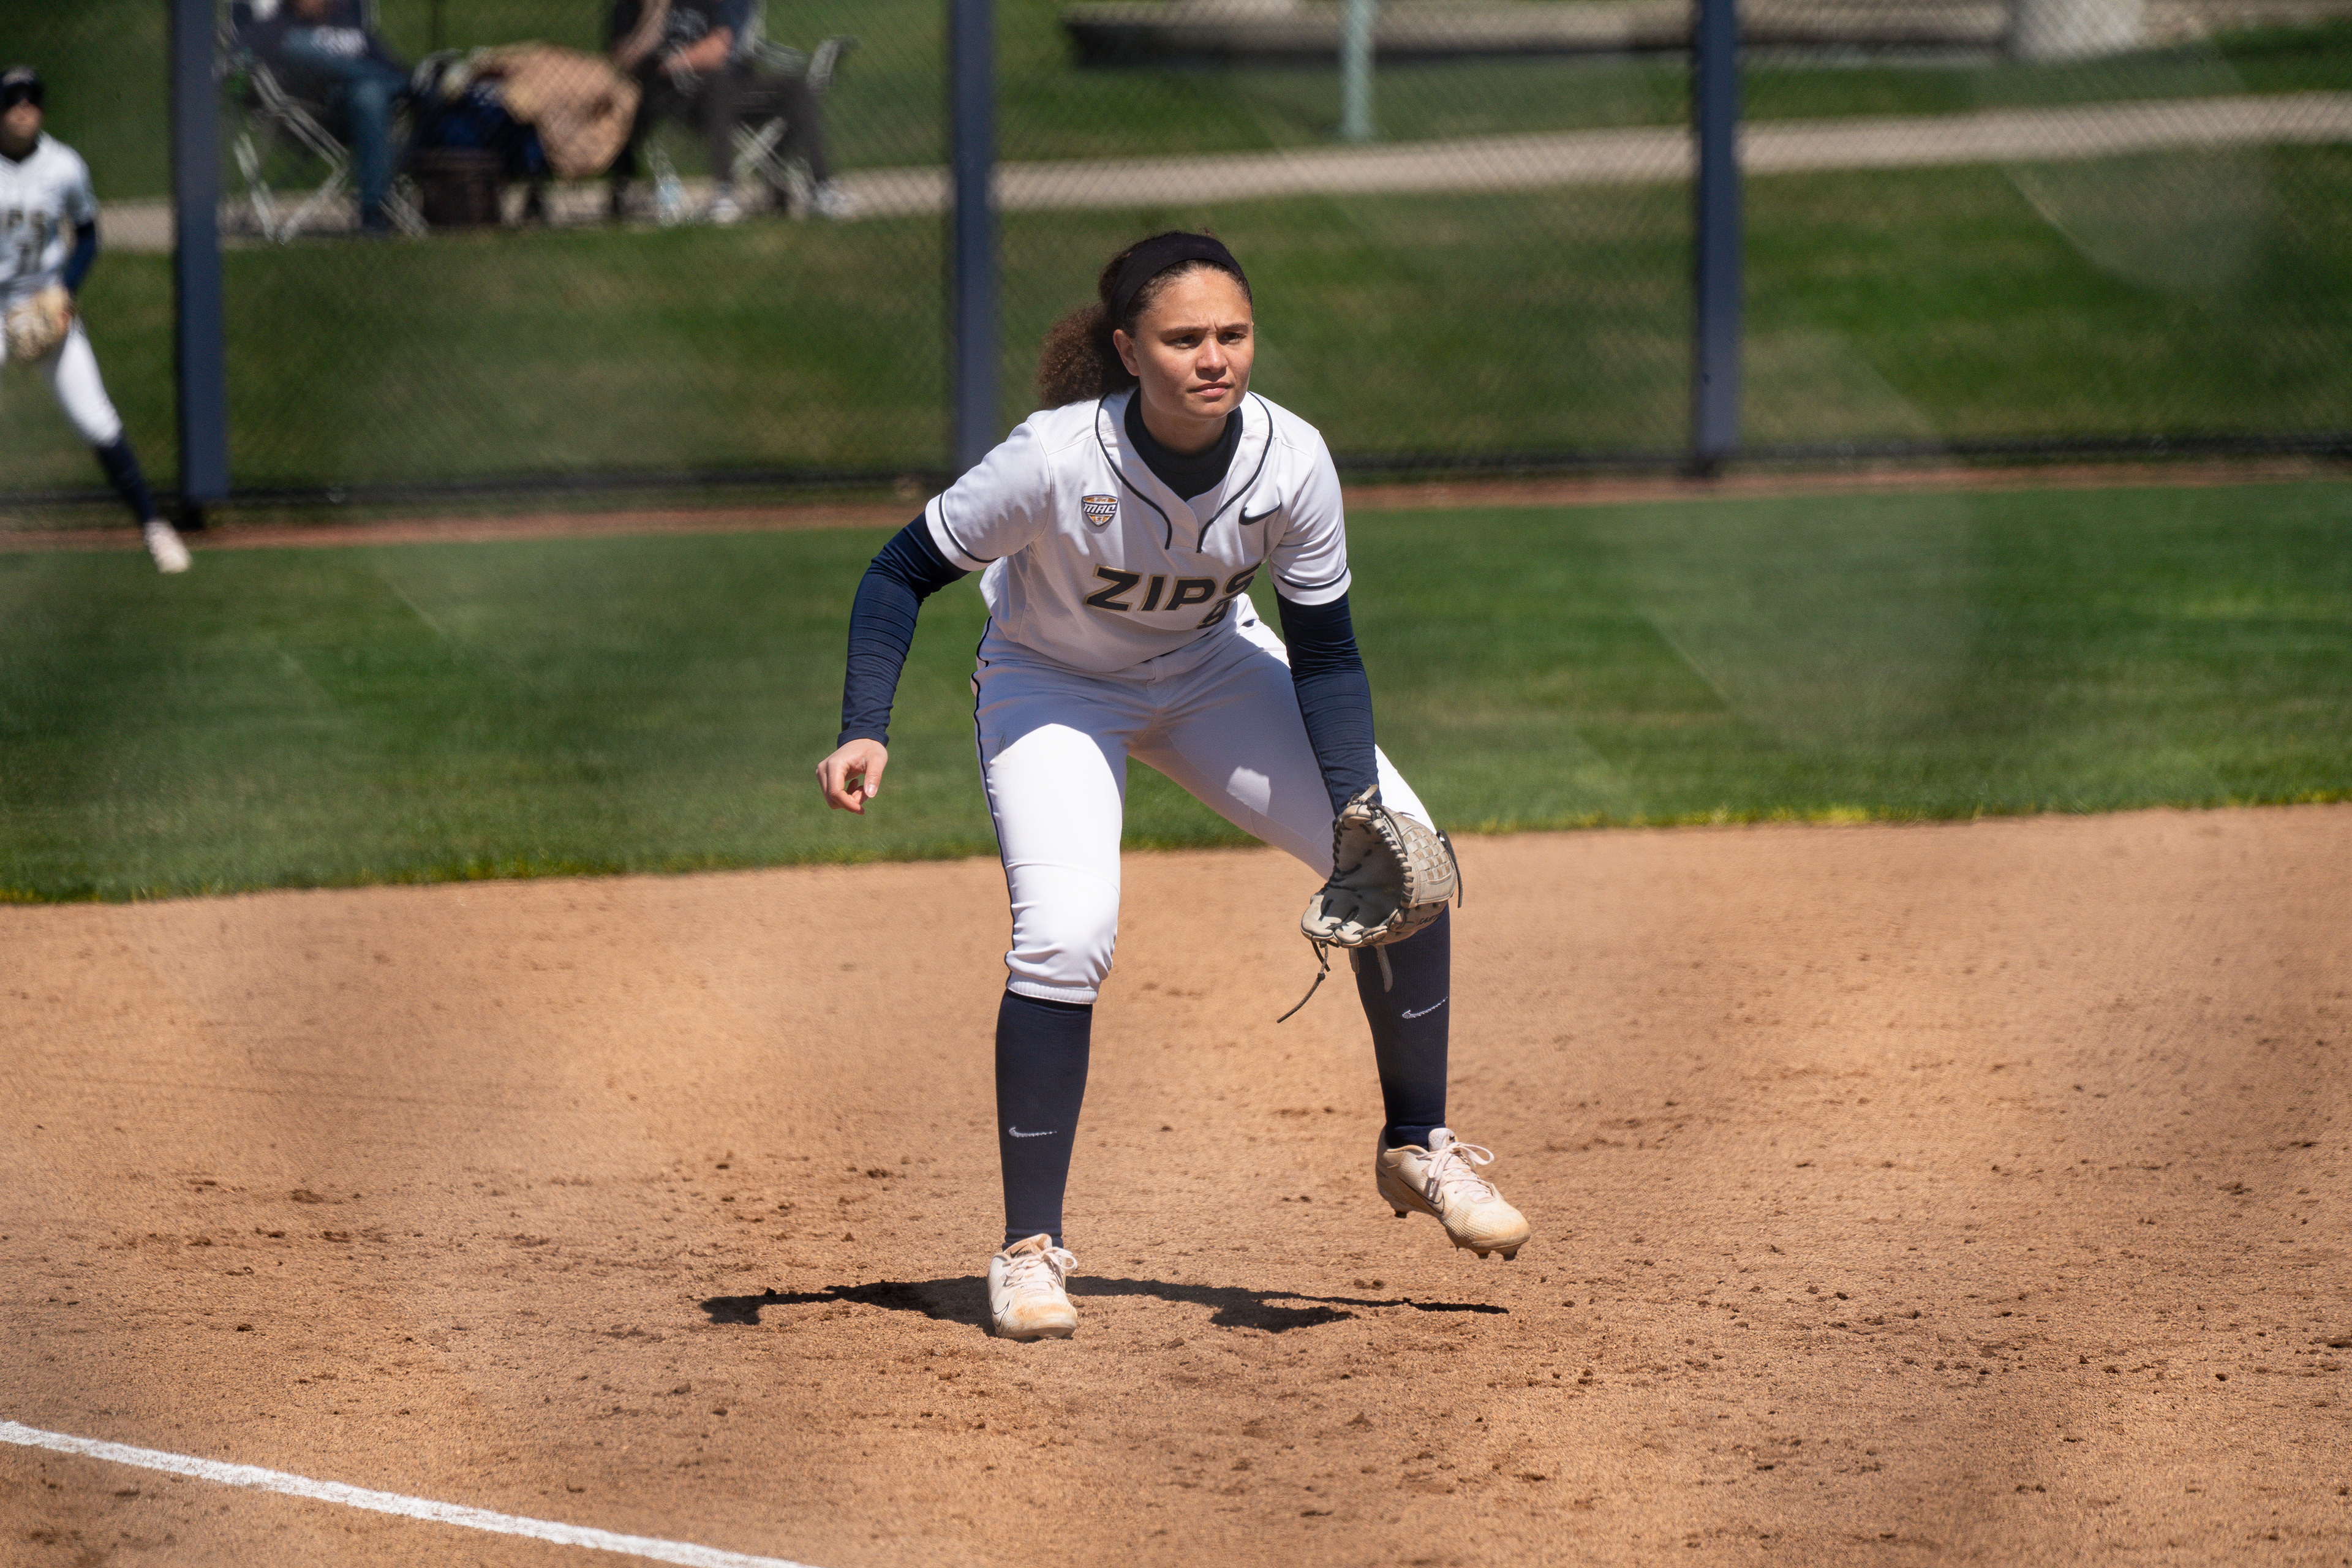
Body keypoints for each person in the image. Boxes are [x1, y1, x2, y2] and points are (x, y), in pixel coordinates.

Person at [814, 232, 1531, 1341]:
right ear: (1127, 350)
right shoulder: (1054, 458)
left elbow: (1327, 654)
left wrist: (1355, 806)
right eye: (1184, 337)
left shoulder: (1291, 458)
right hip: (1052, 686)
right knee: (1066, 934)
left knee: (1411, 859)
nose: (1214, 357)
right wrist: (866, 725)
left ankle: (1417, 1146)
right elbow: (900, 570)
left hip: (1209, 672)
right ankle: (1028, 1253)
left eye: (1233, 334)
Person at [0, 67, 189, 573]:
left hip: (45, 301)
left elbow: (87, 235)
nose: (23, 109)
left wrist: (66, 290)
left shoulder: (64, 166)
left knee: (95, 419)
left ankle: (154, 527)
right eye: (13, 101)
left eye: (31, 100)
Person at [606, 0, 848, 224]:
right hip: (683, 96)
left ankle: (821, 187)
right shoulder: (634, 5)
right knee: (718, 83)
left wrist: (672, 62)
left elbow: (719, 47)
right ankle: (724, 193)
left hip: (732, 84)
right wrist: (655, 14)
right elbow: (625, 59)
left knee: (796, 87)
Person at [262, 0, 412, 235]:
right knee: (300, 47)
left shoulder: (350, 26)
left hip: (360, 112)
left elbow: (390, 64)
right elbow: (242, 61)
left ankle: (378, 213)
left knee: (370, 94)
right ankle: (409, 87)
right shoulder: (277, 27)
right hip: (313, 113)